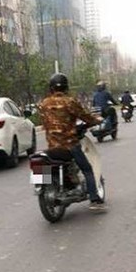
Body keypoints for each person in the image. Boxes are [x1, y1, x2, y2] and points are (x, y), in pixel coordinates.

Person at [39, 73, 106, 211]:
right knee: (87, 169)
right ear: (66, 87)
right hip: (69, 146)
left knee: (41, 163)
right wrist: (97, 120)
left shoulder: (44, 104)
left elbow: (43, 123)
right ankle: (94, 200)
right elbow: (85, 116)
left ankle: (41, 188)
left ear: (51, 88)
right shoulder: (70, 102)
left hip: (52, 147)